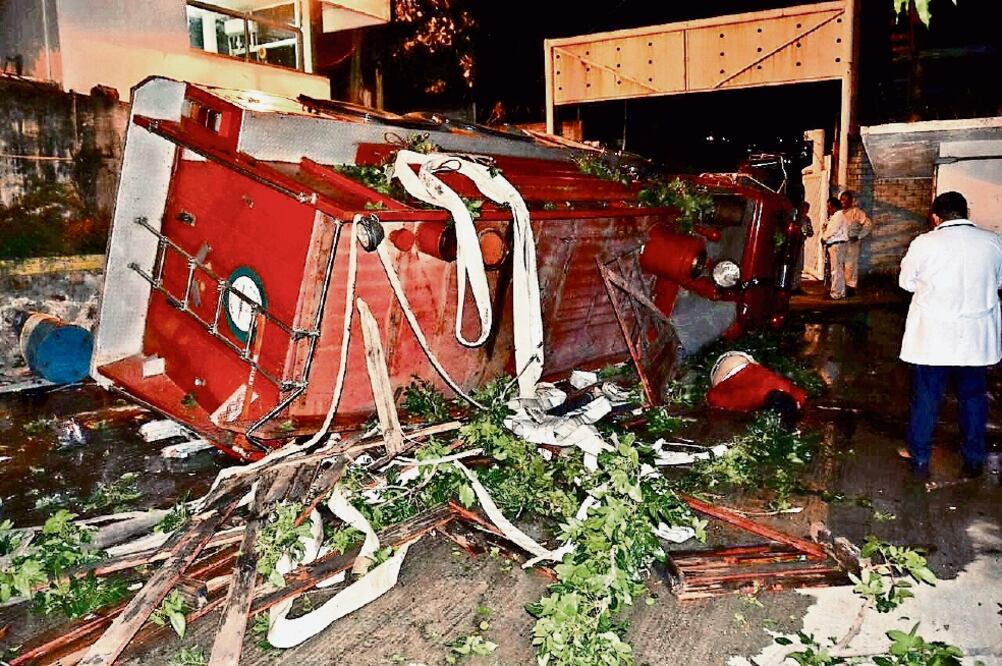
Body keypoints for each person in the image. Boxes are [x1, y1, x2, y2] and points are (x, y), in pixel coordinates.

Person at [898, 191, 1002, 479]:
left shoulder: (925, 243)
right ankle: (973, 459)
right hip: (976, 339)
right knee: (973, 398)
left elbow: (906, 283)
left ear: (935, 217)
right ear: (966, 212)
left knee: (927, 397)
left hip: (934, 338)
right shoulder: (993, 242)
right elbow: (999, 281)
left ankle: (920, 458)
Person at [840, 191, 873, 296]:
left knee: (850, 265)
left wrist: (859, 236)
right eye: (842, 199)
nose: (843, 202)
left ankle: (850, 287)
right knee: (839, 265)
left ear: (851, 201)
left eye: (846, 200)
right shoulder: (838, 213)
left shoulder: (857, 212)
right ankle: (840, 287)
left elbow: (868, 225)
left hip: (851, 243)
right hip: (839, 243)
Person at [821, 196, 848, 299]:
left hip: (837, 244)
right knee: (838, 269)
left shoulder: (838, 216)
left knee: (836, 270)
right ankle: (840, 292)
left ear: (834, 207)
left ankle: (835, 293)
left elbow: (832, 230)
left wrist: (824, 238)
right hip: (837, 244)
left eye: (829, 207)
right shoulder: (836, 216)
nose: (828, 209)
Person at [793, 200, 814, 292]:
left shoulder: (807, 219)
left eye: (807, 209)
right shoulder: (795, 217)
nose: (805, 211)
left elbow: (810, 232)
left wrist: (807, 231)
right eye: (804, 208)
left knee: (799, 265)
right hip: (793, 243)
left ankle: (796, 285)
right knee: (793, 264)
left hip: (801, 244)